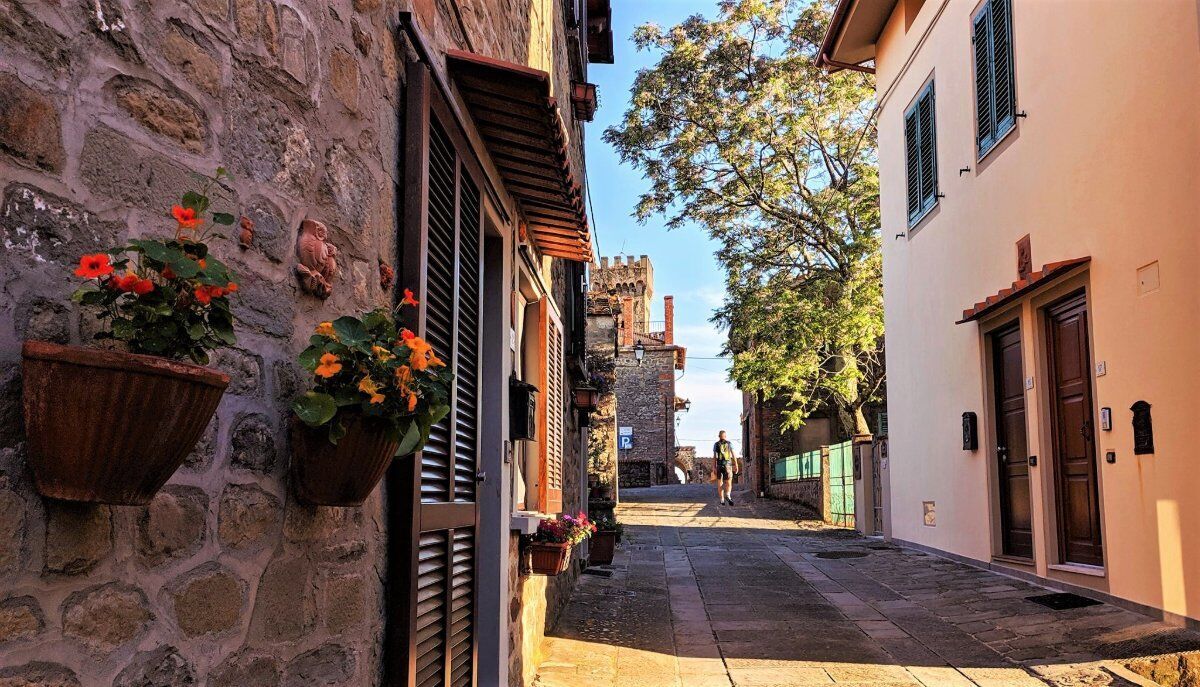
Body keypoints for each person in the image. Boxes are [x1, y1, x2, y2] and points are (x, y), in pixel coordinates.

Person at [713, 430, 739, 505]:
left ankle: (722, 499)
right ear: (725, 436)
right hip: (728, 465)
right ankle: (728, 495)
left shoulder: (716, 444)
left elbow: (715, 457)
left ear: (719, 436)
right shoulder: (729, 444)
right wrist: (736, 464)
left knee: (720, 482)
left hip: (719, 465)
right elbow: (733, 455)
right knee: (729, 481)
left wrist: (714, 467)